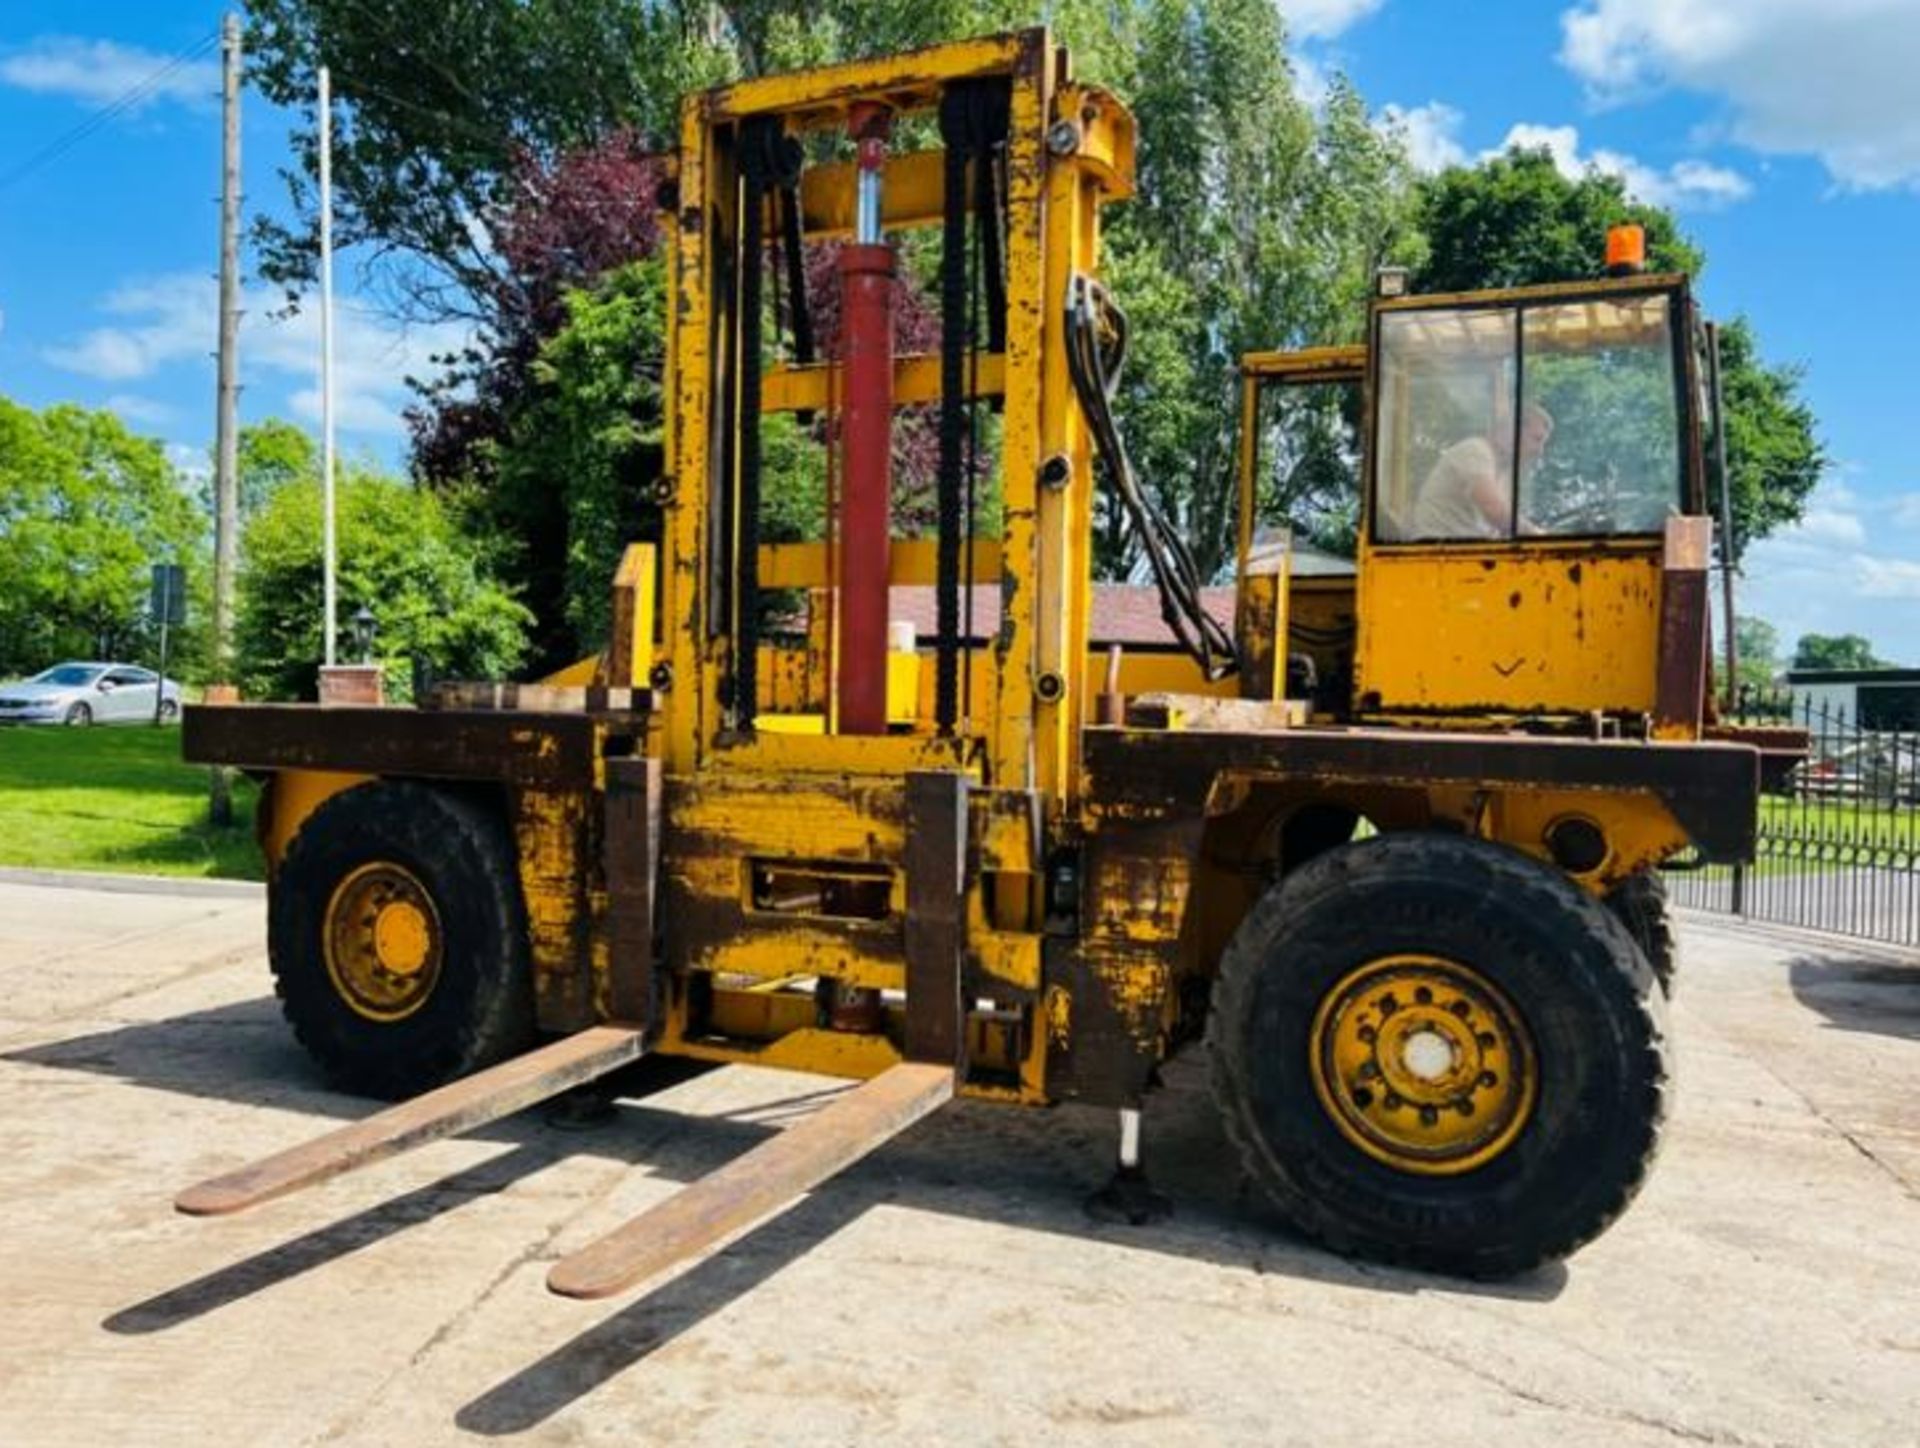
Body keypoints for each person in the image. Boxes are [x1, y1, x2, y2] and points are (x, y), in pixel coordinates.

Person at [1410, 401, 1553, 540]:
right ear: (1512, 430)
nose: (1540, 451)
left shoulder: (1503, 474)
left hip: (1465, 551)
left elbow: (1503, 527)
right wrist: (1539, 535)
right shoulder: (1475, 450)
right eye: (1536, 439)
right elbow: (1494, 510)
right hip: (1437, 551)